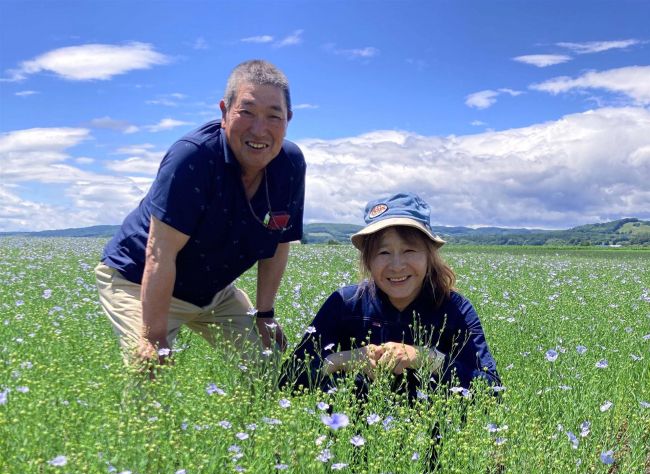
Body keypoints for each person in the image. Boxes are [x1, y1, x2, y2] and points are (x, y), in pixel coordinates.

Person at [95, 59, 306, 368]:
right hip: (138, 281)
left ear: (287, 120)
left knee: (266, 361)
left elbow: (279, 242)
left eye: (273, 116)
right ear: (224, 112)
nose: (259, 129)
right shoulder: (192, 158)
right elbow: (159, 253)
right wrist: (153, 337)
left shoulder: (289, 165)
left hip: (214, 292)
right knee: (147, 367)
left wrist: (265, 315)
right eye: (246, 112)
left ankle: (254, 419)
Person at [285, 192, 499, 397]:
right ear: (368, 260)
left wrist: (426, 358)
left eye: (409, 251)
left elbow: (493, 389)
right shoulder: (345, 304)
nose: (397, 266)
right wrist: (345, 359)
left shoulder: (455, 309)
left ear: (429, 257)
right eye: (383, 253)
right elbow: (287, 380)